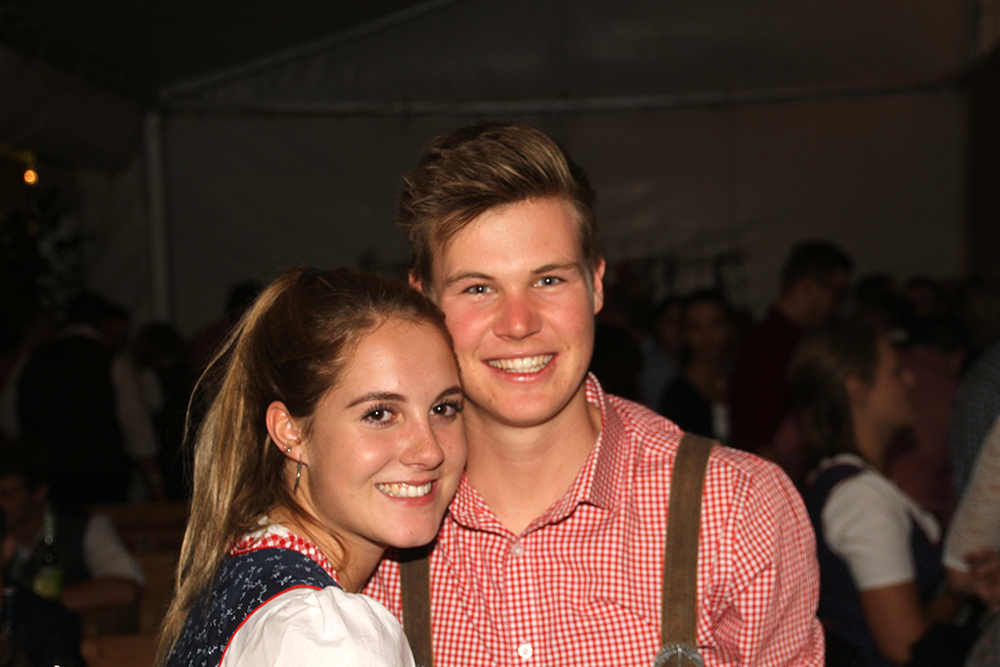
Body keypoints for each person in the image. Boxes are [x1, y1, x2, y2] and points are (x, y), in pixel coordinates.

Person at [364, 122, 823, 666]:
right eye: (479, 288)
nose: (518, 323)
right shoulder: (371, 525)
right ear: (424, 302)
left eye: (548, 280)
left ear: (597, 283)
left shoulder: (735, 510)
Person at [157, 268, 466, 667]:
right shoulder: (325, 637)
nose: (430, 451)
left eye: (444, 408)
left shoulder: (244, 567)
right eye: (379, 413)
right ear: (291, 432)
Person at [795, 323, 964, 666]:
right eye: (897, 372)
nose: (911, 380)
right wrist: (956, 595)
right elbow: (906, 646)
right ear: (858, 389)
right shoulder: (862, 498)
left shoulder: (835, 480)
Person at [16, 292, 165, 504]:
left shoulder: (33, 359)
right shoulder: (112, 360)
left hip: (48, 483)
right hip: (102, 482)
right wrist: (155, 481)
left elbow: (9, 418)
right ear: (102, 324)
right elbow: (138, 430)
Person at [730, 240, 853, 458]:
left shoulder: (788, 340)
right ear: (807, 287)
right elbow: (764, 444)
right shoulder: (772, 346)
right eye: (836, 295)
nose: (837, 307)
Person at [0, 445, 144, 616]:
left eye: (6, 493)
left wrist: (35, 607)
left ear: (39, 492)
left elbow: (125, 589)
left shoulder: (84, 527)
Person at [660, 290, 734, 443]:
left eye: (715, 324)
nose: (706, 335)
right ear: (685, 333)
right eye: (696, 327)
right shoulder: (677, 398)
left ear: (728, 327)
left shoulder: (743, 382)